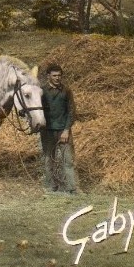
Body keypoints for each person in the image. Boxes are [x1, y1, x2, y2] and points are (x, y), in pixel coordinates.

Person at [40, 63, 78, 193]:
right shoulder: (41, 91)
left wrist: (66, 130)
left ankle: (72, 188)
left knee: (68, 160)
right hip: (47, 132)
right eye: (54, 75)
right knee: (48, 159)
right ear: (48, 76)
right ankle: (51, 186)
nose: (57, 78)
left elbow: (71, 111)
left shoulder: (66, 91)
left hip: (63, 130)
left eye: (59, 75)